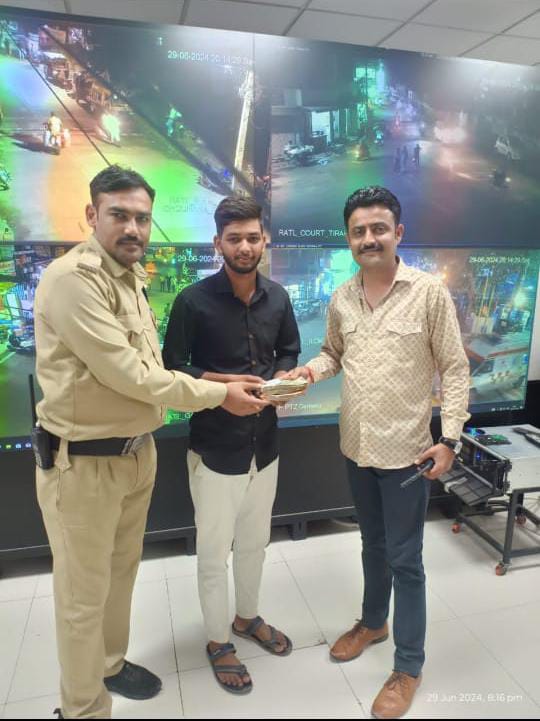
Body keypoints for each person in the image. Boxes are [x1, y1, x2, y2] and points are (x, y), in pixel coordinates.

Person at [33, 165, 267, 719]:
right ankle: (82, 708)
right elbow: (131, 375)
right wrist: (219, 394)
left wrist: (218, 380)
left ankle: (109, 665)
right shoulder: (73, 280)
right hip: (83, 465)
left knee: (120, 578)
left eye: (142, 217)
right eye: (119, 215)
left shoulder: (129, 278)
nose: (133, 228)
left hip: (136, 453)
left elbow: (152, 368)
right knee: (83, 598)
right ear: (92, 215)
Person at [286, 186, 470, 719]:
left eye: (378, 228)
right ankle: (373, 622)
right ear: (349, 239)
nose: (369, 238)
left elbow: (454, 368)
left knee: (406, 560)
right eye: (359, 231)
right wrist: (307, 373)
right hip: (356, 446)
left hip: (408, 454)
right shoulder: (342, 297)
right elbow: (333, 353)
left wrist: (450, 439)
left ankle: (408, 666)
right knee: (372, 543)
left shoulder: (428, 293)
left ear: (398, 233)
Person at [162, 195, 301, 695]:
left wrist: (284, 380)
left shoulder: (278, 298)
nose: (244, 247)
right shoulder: (192, 301)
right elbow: (173, 367)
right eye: (234, 238)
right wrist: (225, 388)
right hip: (216, 449)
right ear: (217, 242)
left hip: (266, 447)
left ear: (265, 240)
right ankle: (218, 641)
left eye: (252, 237)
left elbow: (289, 350)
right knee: (213, 551)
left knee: (255, 543)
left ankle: (247, 617)